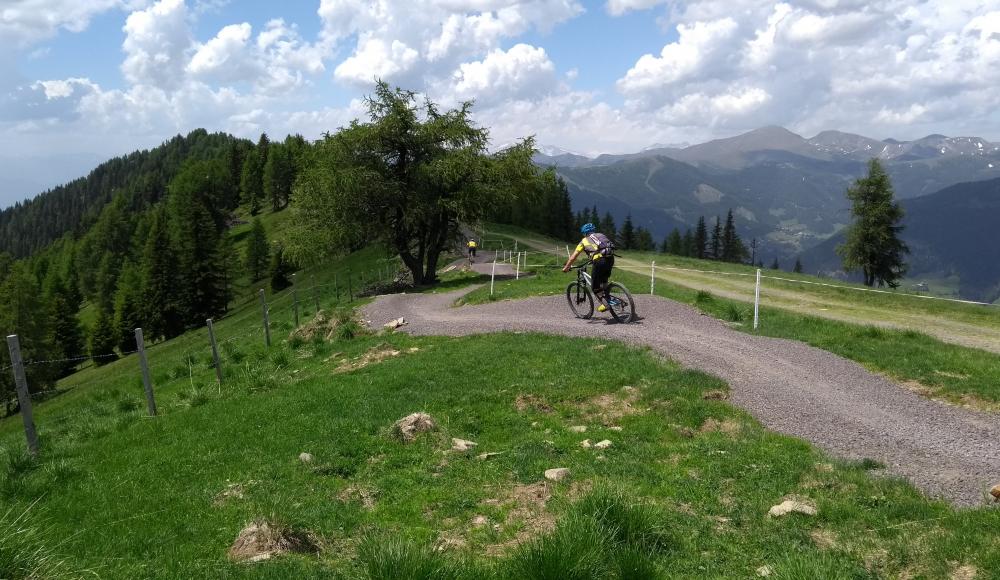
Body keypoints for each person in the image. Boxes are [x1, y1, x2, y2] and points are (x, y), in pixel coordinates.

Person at [563, 223, 615, 312]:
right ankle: (608, 298)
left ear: (584, 233)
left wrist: (566, 267)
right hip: (610, 258)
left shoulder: (583, 241)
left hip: (599, 261)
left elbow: (573, 256)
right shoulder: (601, 235)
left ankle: (606, 304)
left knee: (595, 288)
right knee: (603, 281)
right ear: (593, 230)